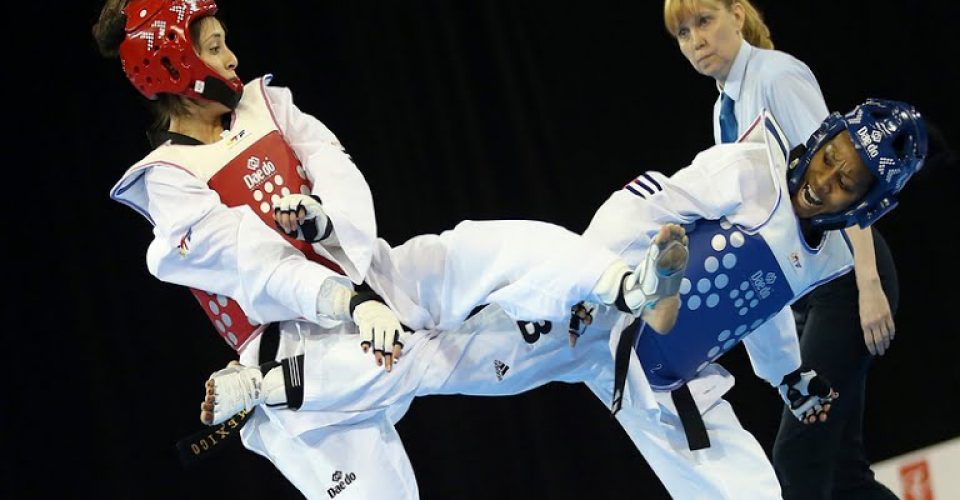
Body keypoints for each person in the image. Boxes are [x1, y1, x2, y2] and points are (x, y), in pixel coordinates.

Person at [94, 1, 675, 497]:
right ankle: (270, 388)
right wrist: (347, 303)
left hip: (374, 282)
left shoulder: (265, 105)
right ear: (176, 65)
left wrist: (329, 226)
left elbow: (337, 170)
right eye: (216, 48)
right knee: (410, 369)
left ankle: (624, 285)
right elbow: (257, 264)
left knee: (484, 248)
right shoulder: (170, 179)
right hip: (301, 347)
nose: (231, 60)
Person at [206, 99, 927, 498]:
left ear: (867, 204)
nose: (828, 177)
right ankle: (268, 383)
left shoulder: (826, 254)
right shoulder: (752, 168)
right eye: (834, 155)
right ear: (823, 138)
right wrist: (599, 279)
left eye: (850, 181)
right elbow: (649, 198)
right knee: (431, 360)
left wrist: (786, 376)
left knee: (750, 493)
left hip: (667, 379)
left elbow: (765, 302)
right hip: (598, 317)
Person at [662, 1, 901, 497]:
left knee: (799, 456)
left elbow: (849, 173)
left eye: (704, 21)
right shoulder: (722, 108)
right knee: (841, 471)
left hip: (844, 275)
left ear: (738, 15)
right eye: (683, 33)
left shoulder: (776, 76)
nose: (696, 41)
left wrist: (868, 281)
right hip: (802, 290)